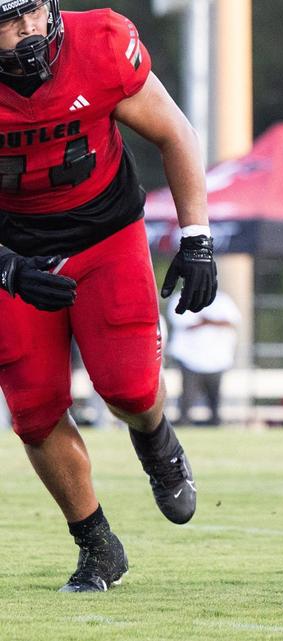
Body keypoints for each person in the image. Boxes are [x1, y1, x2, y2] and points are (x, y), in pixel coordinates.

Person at [0, 0, 212, 592]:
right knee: (34, 410)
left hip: (106, 236)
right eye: (7, 22)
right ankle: (96, 544)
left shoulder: (101, 42)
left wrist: (196, 239)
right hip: (14, 249)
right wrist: (7, 269)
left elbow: (174, 131)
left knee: (128, 387)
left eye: (32, 11)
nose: (28, 31)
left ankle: (155, 437)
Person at [167, 289, 240, 427]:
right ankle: (184, 424)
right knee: (188, 397)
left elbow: (232, 321)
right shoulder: (181, 298)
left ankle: (215, 425)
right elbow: (183, 323)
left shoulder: (222, 300)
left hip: (217, 359)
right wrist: (211, 322)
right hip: (189, 359)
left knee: (215, 399)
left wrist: (207, 321)